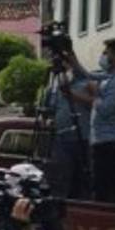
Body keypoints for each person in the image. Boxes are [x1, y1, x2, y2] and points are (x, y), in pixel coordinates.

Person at [64, 39, 115, 204]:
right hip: (102, 140)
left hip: (111, 142)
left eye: (106, 52)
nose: (103, 56)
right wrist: (72, 58)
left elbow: (106, 109)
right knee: (104, 184)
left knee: (107, 186)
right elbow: (87, 75)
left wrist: (92, 93)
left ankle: (110, 218)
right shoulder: (111, 76)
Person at [42, 67, 91, 199]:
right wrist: (48, 121)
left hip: (83, 139)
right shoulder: (53, 88)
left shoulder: (85, 83)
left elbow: (96, 103)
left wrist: (71, 94)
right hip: (60, 139)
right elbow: (46, 112)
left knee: (82, 181)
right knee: (60, 180)